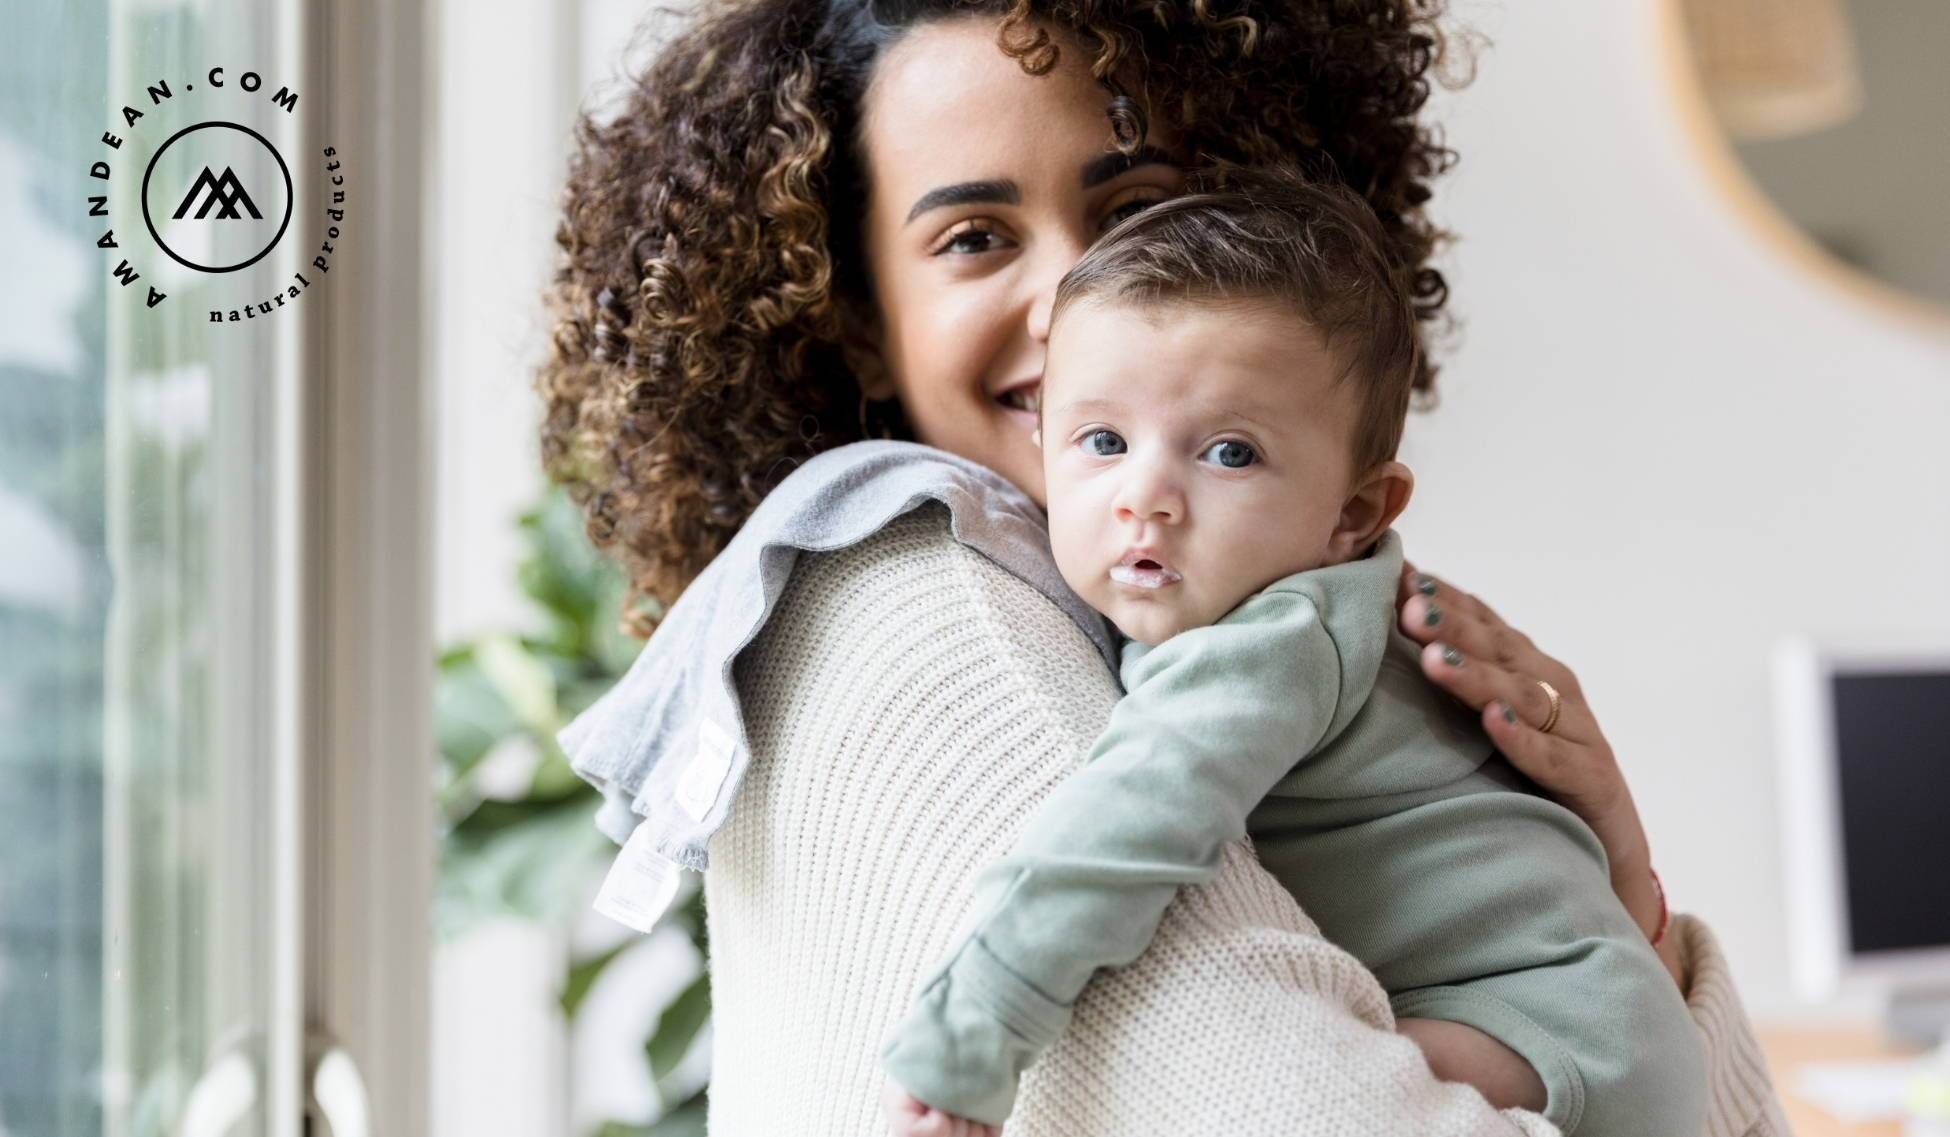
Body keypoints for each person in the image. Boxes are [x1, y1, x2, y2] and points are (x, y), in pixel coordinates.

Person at [539, 0, 1791, 1132]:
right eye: (975, 235)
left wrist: (1620, 884)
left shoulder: (1204, 612)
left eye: (1137, 215)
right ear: (858, 319)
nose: (1074, 299)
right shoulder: (931, 610)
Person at [877, 169, 1706, 1137]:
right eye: (1102, 439)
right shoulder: (1308, 614)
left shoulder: (1274, 637)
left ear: (1354, 513)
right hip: (1615, 1013)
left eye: (1228, 453)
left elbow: (1114, 836)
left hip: (1548, 1029)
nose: (1145, 496)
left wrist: (971, 1039)